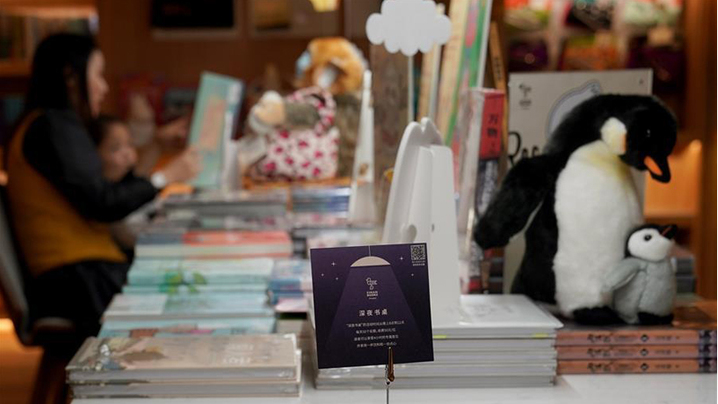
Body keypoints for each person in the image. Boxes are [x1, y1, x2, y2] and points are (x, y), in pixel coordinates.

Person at [3, 33, 201, 340]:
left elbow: (105, 189)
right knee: (189, 300)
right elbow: (104, 202)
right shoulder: (53, 126)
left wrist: (156, 149)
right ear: (70, 77)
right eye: (97, 74)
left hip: (80, 273)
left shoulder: (43, 124)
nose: (104, 86)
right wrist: (164, 177)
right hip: (78, 280)